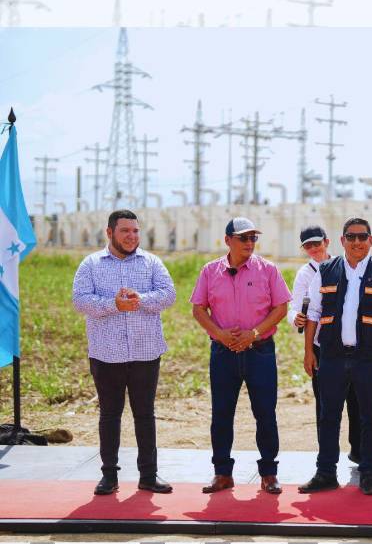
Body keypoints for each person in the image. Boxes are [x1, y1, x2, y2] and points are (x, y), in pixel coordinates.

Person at [299, 217, 372, 495]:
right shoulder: (326, 270)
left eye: (362, 237)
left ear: (371, 240)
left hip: (368, 357)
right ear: (343, 240)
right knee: (328, 416)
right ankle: (325, 473)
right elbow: (313, 313)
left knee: (370, 416)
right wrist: (308, 351)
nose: (357, 242)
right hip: (332, 356)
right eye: (351, 237)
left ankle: (369, 473)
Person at [72, 209, 176, 496]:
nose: (132, 237)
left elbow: (169, 294)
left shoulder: (152, 263)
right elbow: (80, 301)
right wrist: (113, 304)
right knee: (109, 415)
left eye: (135, 231)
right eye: (125, 231)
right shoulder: (91, 264)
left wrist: (140, 299)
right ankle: (109, 476)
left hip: (146, 352)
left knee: (145, 415)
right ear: (109, 233)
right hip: (106, 354)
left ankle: (148, 475)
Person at [190, 217, 291, 495]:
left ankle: (269, 473)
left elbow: (280, 308)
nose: (249, 243)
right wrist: (220, 334)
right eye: (243, 238)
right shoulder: (210, 271)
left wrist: (254, 333)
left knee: (265, 414)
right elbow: (198, 309)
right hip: (223, 352)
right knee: (221, 414)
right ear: (227, 241)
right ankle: (222, 473)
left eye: (252, 238)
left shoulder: (268, 270)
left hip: (259, 351)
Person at [288, 225, 361, 462]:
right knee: (325, 403)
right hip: (321, 345)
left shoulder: (344, 265)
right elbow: (296, 307)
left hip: (348, 344)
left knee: (356, 400)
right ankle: (327, 455)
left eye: (317, 243)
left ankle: (358, 450)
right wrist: (295, 318)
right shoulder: (304, 274)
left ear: (327, 242)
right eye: (308, 246)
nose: (313, 249)